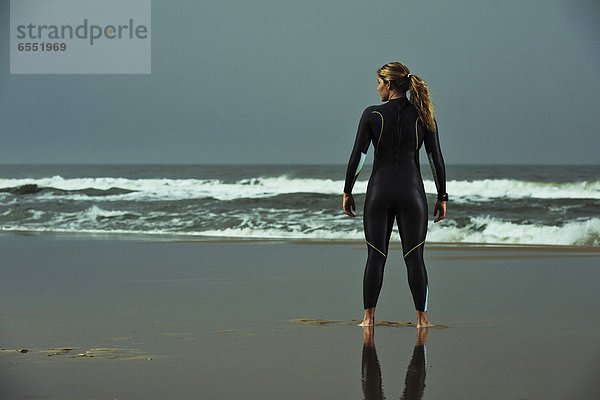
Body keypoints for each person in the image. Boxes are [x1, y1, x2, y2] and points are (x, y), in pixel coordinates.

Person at [343, 61, 448, 328]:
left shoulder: (372, 115)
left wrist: (347, 191)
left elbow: (359, 157)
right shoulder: (424, 115)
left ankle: (368, 319)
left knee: (376, 256)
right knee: (414, 257)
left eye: (379, 82)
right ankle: (422, 321)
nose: (377, 88)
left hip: (379, 192)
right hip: (412, 193)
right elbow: (436, 159)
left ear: (389, 85)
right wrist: (442, 196)